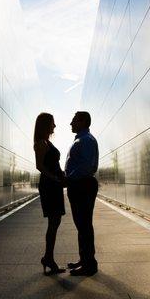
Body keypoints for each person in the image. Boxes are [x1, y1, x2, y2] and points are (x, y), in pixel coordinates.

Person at [65, 111, 99, 276]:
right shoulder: (82, 139)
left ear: (82, 121)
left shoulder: (86, 140)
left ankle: (89, 264)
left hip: (82, 185)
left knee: (84, 224)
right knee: (82, 225)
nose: (70, 124)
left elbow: (86, 166)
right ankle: (84, 259)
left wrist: (68, 178)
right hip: (79, 185)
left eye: (73, 121)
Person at [33, 112, 66, 275]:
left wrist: (62, 175)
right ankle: (49, 259)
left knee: (55, 221)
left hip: (54, 185)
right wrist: (55, 178)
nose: (54, 126)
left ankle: (48, 257)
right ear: (45, 125)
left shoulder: (47, 142)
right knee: (53, 222)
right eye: (52, 123)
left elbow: (54, 164)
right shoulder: (40, 143)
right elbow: (39, 166)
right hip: (49, 185)